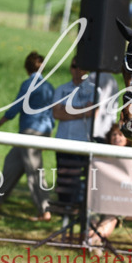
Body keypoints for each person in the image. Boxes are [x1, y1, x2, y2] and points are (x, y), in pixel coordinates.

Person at [0, 51, 54, 222]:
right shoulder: (49, 86)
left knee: (34, 172)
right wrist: (48, 134)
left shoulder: (29, 84)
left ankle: (45, 211)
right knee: (12, 163)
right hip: (43, 131)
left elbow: (16, 106)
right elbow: (51, 113)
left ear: (27, 67)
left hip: (30, 132)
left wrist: (0, 122)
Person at [52, 59, 97, 208]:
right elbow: (56, 114)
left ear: (86, 70)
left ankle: (77, 207)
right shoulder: (61, 89)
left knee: (78, 178)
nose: (77, 70)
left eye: (81, 67)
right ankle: (63, 206)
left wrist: (67, 109)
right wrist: (81, 110)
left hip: (82, 141)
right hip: (62, 140)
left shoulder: (94, 90)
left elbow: (92, 112)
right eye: (74, 66)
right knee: (63, 176)